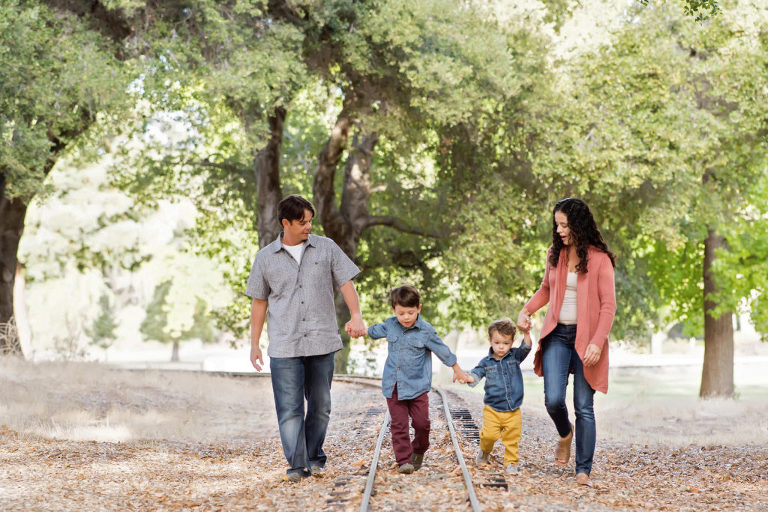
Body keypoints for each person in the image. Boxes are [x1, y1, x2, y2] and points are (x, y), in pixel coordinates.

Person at [246, 194, 367, 482]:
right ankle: (298, 465)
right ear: (285, 223)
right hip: (285, 344)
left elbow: (345, 282)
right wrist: (254, 344)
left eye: (310, 221)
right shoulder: (264, 258)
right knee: (289, 409)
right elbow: (259, 302)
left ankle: (314, 456)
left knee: (321, 406)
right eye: (302, 222)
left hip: (322, 341)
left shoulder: (326, 248)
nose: (308, 226)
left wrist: (356, 315)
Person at [517, 197, 616, 487]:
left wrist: (598, 342)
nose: (559, 230)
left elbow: (608, 306)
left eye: (564, 225)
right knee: (553, 399)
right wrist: (527, 310)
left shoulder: (600, 259)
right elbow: (545, 289)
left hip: (587, 341)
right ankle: (565, 433)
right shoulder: (555, 254)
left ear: (578, 224)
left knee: (584, 406)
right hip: (558, 335)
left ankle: (583, 469)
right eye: (557, 225)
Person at [364, 285, 472, 474]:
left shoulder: (426, 331)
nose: (406, 317)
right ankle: (404, 460)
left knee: (422, 424)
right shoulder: (390, 325)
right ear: (394, 310)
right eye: (401, 313)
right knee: (399, 425)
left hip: (417, 387)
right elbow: (373, 331)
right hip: (394, 385)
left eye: (411, 312)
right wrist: (360, 329)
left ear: (419, 308)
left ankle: (419, 449)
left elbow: (442, 350)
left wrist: (457, 369)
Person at [465, 318, 532, 475]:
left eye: (506, 343)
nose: (501, 347)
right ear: (490, 341)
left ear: (511, 342)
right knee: (489, 436)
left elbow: (526, 347)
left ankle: (511, 463)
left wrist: (527, 332)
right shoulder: (486, 362)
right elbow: (476, 374)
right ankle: (484, 451)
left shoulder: (515, 356)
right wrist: (467, 377)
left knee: (512, 439)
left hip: (513, 410)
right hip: (492, 410)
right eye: (497, 343)